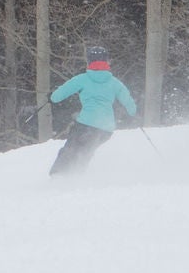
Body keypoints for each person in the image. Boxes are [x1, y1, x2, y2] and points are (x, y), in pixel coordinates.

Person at [47, 45, 139, 176]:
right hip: (106, 129)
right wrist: (133, 113)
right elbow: (129, 102)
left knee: (71, 149)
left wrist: (51, 97)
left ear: (89, 61)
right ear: (106, 61)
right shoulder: (114, 82)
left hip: (86, 124)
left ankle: (58, 176)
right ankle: (76, 176)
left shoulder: (82, 79)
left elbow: (58, 95)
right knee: (86, 151)